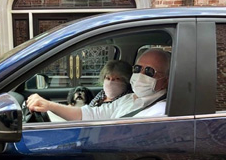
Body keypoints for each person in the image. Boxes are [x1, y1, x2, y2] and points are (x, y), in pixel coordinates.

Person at [26, 48, 170, 120]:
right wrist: (49, 105)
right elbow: (88, 114)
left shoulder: (160, 111)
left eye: (150, 72)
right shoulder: (129, 99)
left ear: (166, 80)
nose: (140, 75)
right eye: (138, 69)